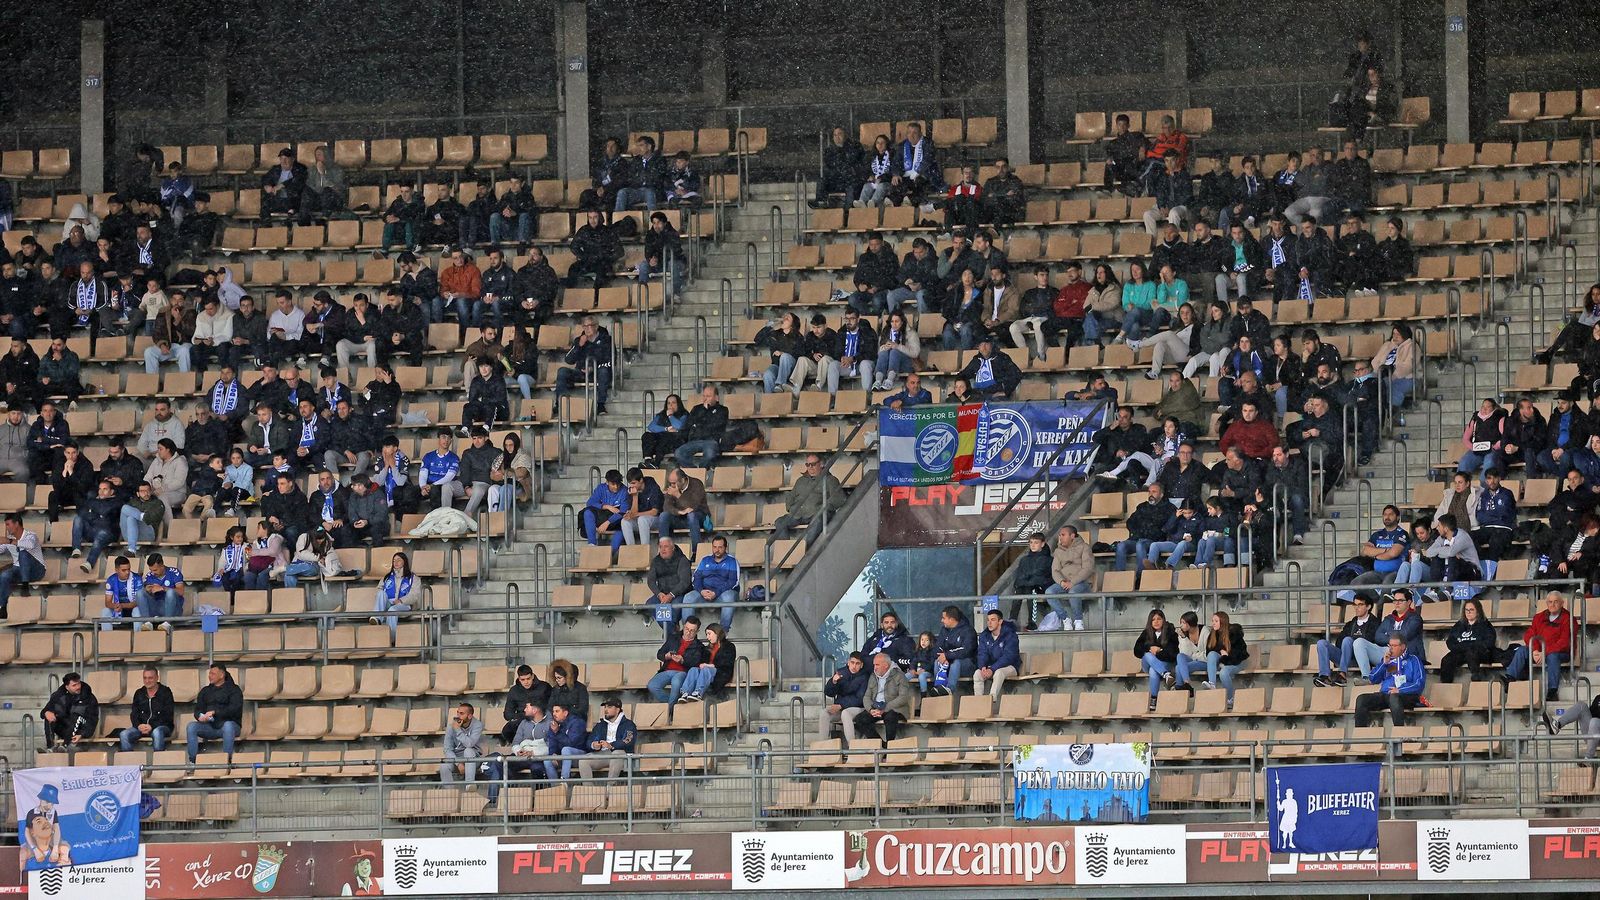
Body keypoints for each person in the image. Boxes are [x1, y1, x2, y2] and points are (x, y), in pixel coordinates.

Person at [1505, 591, 1573, 701]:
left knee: (1553, 656)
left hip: (1560, 653)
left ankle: (1552, 691)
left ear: (1562, 603)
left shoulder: (1568, 619)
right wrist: (1535, 650)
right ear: (1546, 603)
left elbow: (1564, 642)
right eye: (1550, 602)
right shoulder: (1539, 617)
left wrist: (1544, 652)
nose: (1552, 604)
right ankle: (1509, 680)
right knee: (1522, 650)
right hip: (1539, 652)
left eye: (1556, 602)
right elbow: (1529, 635)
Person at [1353, 632, 1426, 727]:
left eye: (1394, 646)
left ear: (1403, 646)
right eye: (1389, 645)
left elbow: (1419, 684)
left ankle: (1398, 733)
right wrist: (1384, 664)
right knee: (1362, 699)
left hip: (1406, 695)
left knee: (1394, 697)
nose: (1390, 649)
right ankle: (1360, 735)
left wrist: (1400, 690)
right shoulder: (1387, 660)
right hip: (1386, 694)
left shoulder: (1413, 660)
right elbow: (1373, 678)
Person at [771, 453, 845, 543]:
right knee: (780, 522)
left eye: (813, 464)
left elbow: (838, 499)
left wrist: (824, 508)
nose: (810, 467)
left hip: (817, 514)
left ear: (821, 464)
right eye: (807, 464)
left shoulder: (830, 480)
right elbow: (790, 497)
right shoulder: (801, 480)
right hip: (798, 514)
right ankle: (785, 549)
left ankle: (807, 552)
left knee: (818, 520)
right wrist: (790, 508)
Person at [1313, 595, 1382, 686]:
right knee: (1321, 643)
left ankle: (1342, 674)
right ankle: (1325, 676)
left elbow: (1372, 642)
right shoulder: (1350, 624)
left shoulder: (1376, 623)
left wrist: (1351, 642)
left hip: (1362, 659)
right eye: (1355, 605)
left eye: (1360, 605)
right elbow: (1338, 642)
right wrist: (1348, 645)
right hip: (1345, 658)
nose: (1357, 608)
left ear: (1368, 607)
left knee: (1348, 640)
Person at [186, 664, 242, 761]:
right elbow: (198, 709)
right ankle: (193, 760)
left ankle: (226, 760)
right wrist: (199, 716)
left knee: (228, 726)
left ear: (222, 675)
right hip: (209, 726)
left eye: (213, 674)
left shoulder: (234, 689)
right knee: (191, 726)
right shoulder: (205, 691)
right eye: (209, 673)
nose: (210, 676)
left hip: (230, 726)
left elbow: (234, 709)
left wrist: (215, 712)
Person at [1437, 598, 1497, 683]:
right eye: (1466, 610)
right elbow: (1450, 642)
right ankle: (1446, 683)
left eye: (1471, 610)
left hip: (1480, 653)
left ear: (1478, 611)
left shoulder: (1485, 625)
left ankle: (1476, 678)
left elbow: (1489, 642)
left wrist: (1471, 646)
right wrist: (1464, 646)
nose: (1468, 612)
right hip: (1461, 652)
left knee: (1472, 653)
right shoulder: (1459, 625)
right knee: (1447, 659)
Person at [648, 616, 705, 703]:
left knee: (676, 682)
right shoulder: (673, 638)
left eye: (692, 630)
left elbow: (696, 663)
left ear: (697, 631)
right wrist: (666, 656)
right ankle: (672, 705)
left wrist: (682, 660)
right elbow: (659, 654)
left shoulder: (699, 646)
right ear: (684, 626)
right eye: (686, 628)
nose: (688, 632)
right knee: (652, 685)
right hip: (666, 670)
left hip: (683, 672)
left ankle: (670, 711)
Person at [689, 535, 739, 631]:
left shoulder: (732, 561)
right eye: (714, 547)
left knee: (729, 597)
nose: (717, 550)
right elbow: (696, 578)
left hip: (723, 593)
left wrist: (716, 592)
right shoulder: (705, 560)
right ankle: (688, 631)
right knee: (688, 598)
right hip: (704, 592)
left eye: (720, 547)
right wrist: (701, 591)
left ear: (726, 547)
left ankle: (723, 633)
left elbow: (733, 582)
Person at [678, 621, 736, 703]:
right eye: (706, 634)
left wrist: (710, 666)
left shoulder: (729, 646)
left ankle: (698, 692)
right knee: (694, 669)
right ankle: (685, 692)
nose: (708, 637)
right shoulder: (707, 648)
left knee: (706, 669)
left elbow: (727, 663)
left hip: (721, 672)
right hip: (706, 673)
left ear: (717, 633)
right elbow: (701, 662)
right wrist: (703, 664)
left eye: (709, 634)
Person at [120, 666, 175, 751]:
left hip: (162, 727)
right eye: (145, 678)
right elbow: (134, 714)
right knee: (124, 734)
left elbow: (168, 715)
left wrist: (152, 726)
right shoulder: (139, 693)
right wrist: (138, 725)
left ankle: (158, 761)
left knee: (157, 732)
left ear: (157, 678)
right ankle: (130, 762)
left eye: (150, 678)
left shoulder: (166, 692)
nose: (147, 681)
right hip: (141, 727)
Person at [579, 698, 637, 779]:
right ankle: (589, 789)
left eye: (609, 707)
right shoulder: (600, 725)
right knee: (583, 761)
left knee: (617, 753)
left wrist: (611, 745)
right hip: (603, 753)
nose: (606, 709)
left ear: (617, 709)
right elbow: (589, 740)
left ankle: (610, 788)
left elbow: (628, 740)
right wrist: (593, 745)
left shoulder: (629, 724)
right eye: (605, 707)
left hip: (621, 754)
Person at [1135, 608, 1180, 710]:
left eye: (1159, 619)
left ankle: (1154, 698)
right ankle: (1166, 675)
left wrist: (1159, 652)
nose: (1156, 622)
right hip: (1147, 663)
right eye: (1153, 619)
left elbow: (1172, 653)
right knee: (1147, 654)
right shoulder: (1146, 633)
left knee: (1153, 670)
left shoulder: (1171, 632)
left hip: (1166, 663)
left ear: (1163, 620)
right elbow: (1137, 650)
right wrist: (1150, 648)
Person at [0, 513, 44, 618]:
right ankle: (3, 607)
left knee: (23, 553)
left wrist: (10, 541)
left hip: (36, 570)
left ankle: (25, 586)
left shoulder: (31, 535)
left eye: (8, 524)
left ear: (16, 524)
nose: (6, 527)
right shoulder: (10, 538)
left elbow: (29, 545)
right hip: (18, 570)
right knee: (4, 575)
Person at [674, 384, 728, 469]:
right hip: (694, 440)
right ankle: (694, 472)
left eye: (708, 396)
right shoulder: (697, 409)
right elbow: (688, 424)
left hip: (711, 440)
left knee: (710, 454)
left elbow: (715, 425)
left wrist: (705, 414)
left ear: (716, 398)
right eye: (704, 396)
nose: (705, 399)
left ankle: (702, 471)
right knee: (679, 453)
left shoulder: (723, 410)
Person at [40, 672, 98, 751]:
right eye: (74, 685)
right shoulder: (59, 695)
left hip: (81, 728)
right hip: (66, 728)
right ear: (67, 687)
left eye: (78, 684)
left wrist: (82, 734)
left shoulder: (89, 697)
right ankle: (50, 747)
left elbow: (93, 719)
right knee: (49, 716)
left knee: (76, 715)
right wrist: (46, 713)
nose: (78, 687)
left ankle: (65, 746)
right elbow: (44, 711)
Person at [817, 652, 869, 740]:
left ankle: (852, 747)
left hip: (859, 708)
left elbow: (860, 699)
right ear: (848, 662)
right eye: (852, 663)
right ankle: (823, 745)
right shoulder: (841, 672)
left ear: (861, 665)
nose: (854, 666)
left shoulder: (865, 677)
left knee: (846, 713)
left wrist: (841, 705)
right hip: (840, 708)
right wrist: (833, 682)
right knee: (824, 713)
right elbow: (829, 693)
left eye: (857, 663)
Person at [1203, 611, 1249, 708]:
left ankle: (1230, 698)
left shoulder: (1234, 634)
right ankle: (1212, 683)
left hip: (1237, 661)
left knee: (1224, 672)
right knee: (1212, 654)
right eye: (1212, 621)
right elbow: (1209, 652)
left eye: (1216, 621)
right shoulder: (1213, 634)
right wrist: (1222, 655)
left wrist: (1227, 655)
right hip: (1224, 660)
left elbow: (1240, 654)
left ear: (1223, 622)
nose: (1213, 623)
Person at [973, 609, 1021, 699]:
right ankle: (978, 701)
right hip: (990, 667)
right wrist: (982, 666)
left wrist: (992, 669)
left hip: (1010, 666)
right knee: (977, 673)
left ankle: (991, 700)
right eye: (988, 620)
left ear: (1000, 621)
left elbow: (1009, 657)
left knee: (999, 673)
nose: (989, 623)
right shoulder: (984, 635)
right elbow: (982, 653)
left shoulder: (1010, 635)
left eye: (993, 620)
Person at [955, 336, 1024, 399]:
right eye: (981, 345)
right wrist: (962, 389)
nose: (984, 347)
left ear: (991, 345)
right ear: (978, 347)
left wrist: (1006, 391)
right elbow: (964, 375)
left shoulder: (1001, 358)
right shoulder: (976, 360)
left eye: (986, 344)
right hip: (977, 395)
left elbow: (1016, 374)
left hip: (995, 395)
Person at [567, 210, 622, 287]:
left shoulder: (608, 231)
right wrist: (585, 257)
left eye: (595, 217)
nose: (592, 220)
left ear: (600, 218)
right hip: (588, 261)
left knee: (601, 273)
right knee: (573, 268)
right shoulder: (584, 230)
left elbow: (620, 251)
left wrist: (606, 257)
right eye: (590, 218)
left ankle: (596, 296)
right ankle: (571, 293)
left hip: (603, 262)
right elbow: (574, 246)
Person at [371, 551, 418, 638]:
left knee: (393, 609)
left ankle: (391, 638)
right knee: (381, 593)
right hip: (388, 602)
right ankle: (377, 618)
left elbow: (415, 595)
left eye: (398, 560)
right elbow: (378, 590)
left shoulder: (413, 578)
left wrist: (401, 600)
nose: (395, 563)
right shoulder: (387, 577)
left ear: (405, 562)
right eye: (394, 561)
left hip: (404, 604)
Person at [439, 701, 484, 783]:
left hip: (474, 758)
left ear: (469, 716)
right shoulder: (451, 727)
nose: (458, 716)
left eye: (461, 713)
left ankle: (469, 785)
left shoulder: (477, 725)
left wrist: (457, 730)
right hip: (457, 758)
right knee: (444, 766)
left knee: (468, 751)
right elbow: (447, 749)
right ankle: (449, 793)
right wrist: (458, 763)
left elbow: (469, 744)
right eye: (458, 713)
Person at [934, 604, 978, 688]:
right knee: (937, 661)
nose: (941, 621)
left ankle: (950, 689)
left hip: (967, 664)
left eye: (944, 618)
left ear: (951, 619)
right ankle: (939, 687)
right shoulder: (944, 630)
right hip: (948, 662)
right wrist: (943, 657)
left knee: (956, 663)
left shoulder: (968, 630)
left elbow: (966, 651)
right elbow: (937, 647)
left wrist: (947, 656)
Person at [544, 702, 590, 780]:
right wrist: (553, 753)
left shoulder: (577, 723)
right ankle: (556, 788)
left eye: (557, 711)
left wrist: (557, 732)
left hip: (579, 757)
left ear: (565, 713)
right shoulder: (555, 725)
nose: (554, 714)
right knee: (547, 760)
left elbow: (572, 743)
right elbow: (552, 741)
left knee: (566, 749)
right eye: (553, 711)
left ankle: (564, 780)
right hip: (564, 757)